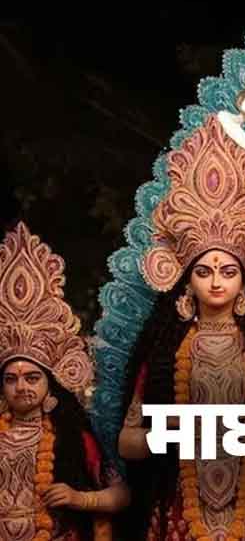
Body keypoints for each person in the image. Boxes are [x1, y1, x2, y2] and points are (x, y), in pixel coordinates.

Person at [116, 117, 245, 540]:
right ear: (186, 279)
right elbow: (127, 444)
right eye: (204, 271)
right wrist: (173, 431)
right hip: (183, 511)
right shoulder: (165, 353)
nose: (215, 282)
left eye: (228, 271)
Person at [0, 222, 130, 540]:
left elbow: (122, 496)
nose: (22, 387)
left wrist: (78, 498)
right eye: (11, 379)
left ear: (51, 385)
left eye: (32, 378)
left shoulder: (73, 437)